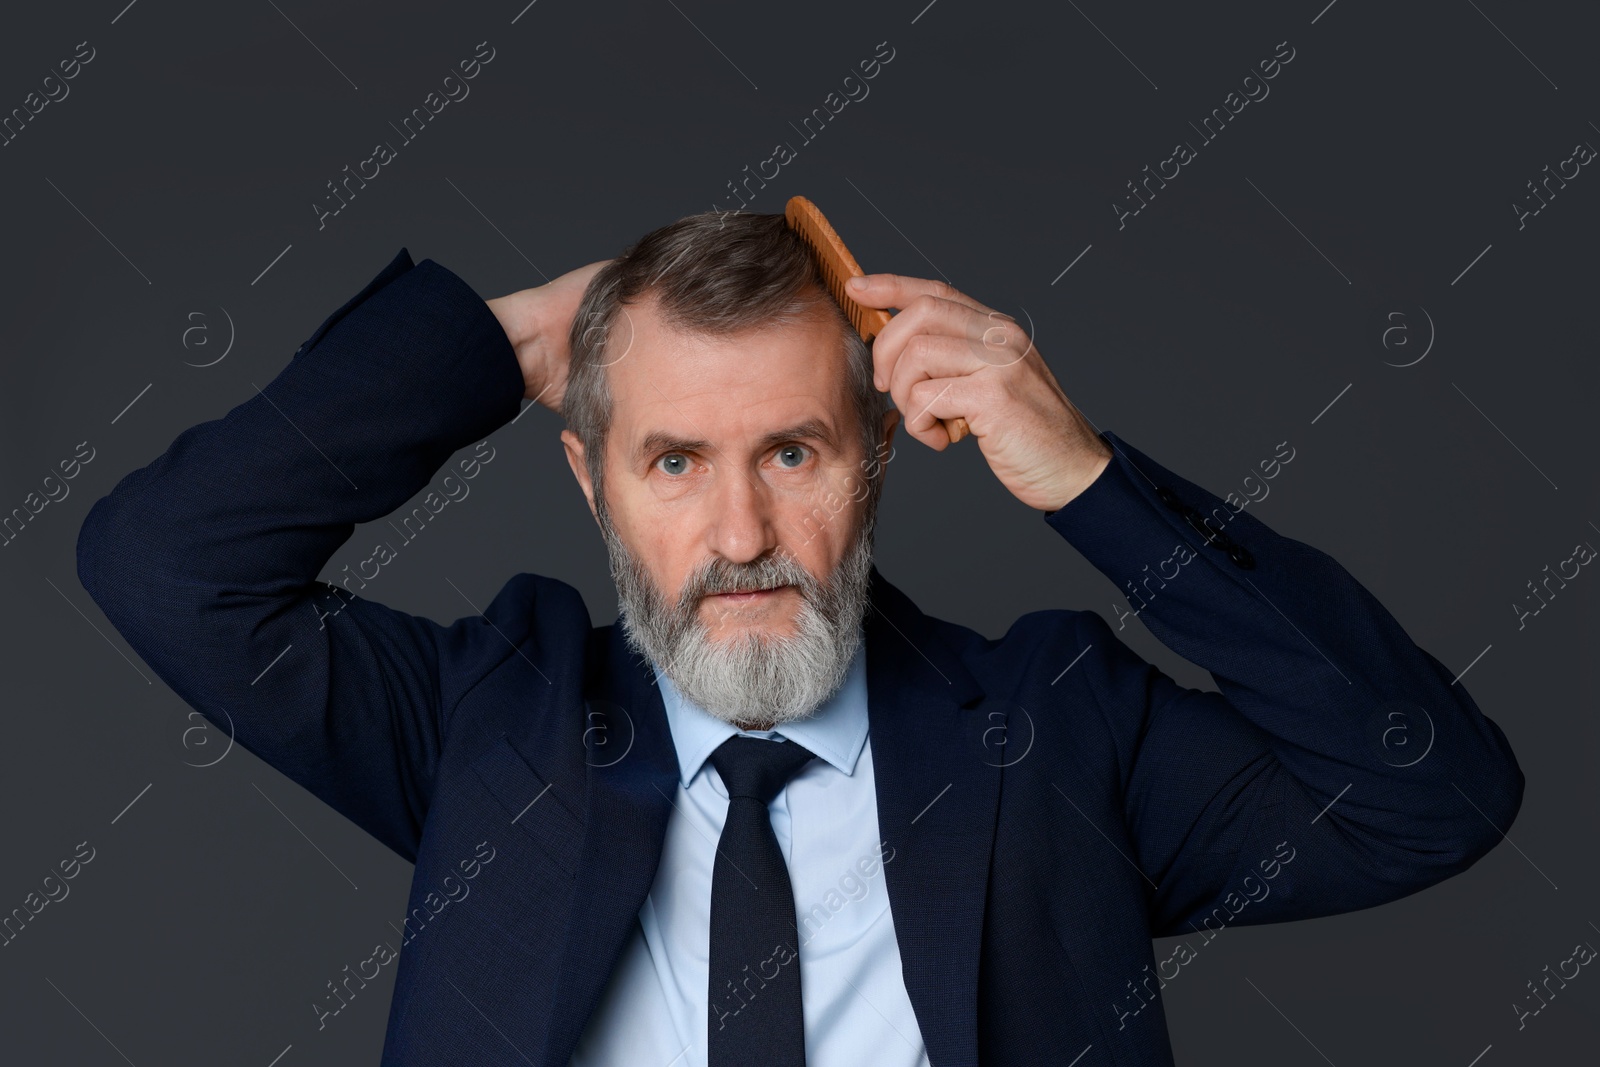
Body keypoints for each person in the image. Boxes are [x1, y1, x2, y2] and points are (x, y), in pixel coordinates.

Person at [76, 211, 1524, 1067]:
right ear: (588, 478)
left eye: (791, 453)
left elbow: (1429, 794)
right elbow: (167, 566)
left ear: (878, 458)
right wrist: (509, 344)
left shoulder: (1059, 726)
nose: (740, 535)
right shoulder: (487, 724)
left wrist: (1083, 477)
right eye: (671, 463)